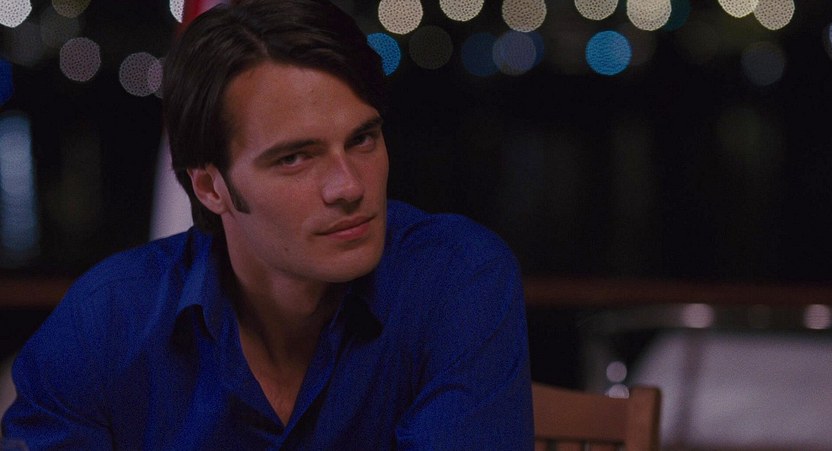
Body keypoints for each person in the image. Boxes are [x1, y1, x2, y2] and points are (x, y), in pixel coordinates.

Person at [1, 0, 533, 448]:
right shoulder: (107, 321)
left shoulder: (456, 279)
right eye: (294, 158)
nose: (350, 186)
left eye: (362, 139)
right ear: (210, 187)